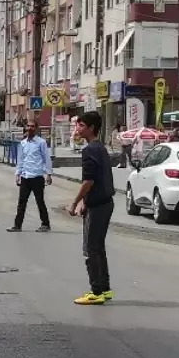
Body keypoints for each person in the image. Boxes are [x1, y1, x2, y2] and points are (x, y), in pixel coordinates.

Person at [69, 111, 116, 305]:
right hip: (104, 202)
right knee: (98, 248)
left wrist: (75, 202)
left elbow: (88, 181)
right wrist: (85, 202)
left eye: (80, 125)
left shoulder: (90, 150)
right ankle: (104, 289)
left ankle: (96, 291)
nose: (77, 129)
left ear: (91, 128)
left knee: (90, 248)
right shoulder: (100, 148)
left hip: (98, 205)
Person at [8, 121, 53, 232]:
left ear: (36, 128)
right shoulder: (23, 143)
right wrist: (17, 174)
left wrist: (49, 174)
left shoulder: (41, 143)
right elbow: (21, 160)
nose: (30, 128)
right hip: (25, 176)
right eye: (28, 126)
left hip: (37, 176)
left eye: (32, 126)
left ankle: (45, 224)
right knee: (21, 202)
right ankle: (17, 225)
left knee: (40, 201)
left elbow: (46, 158)